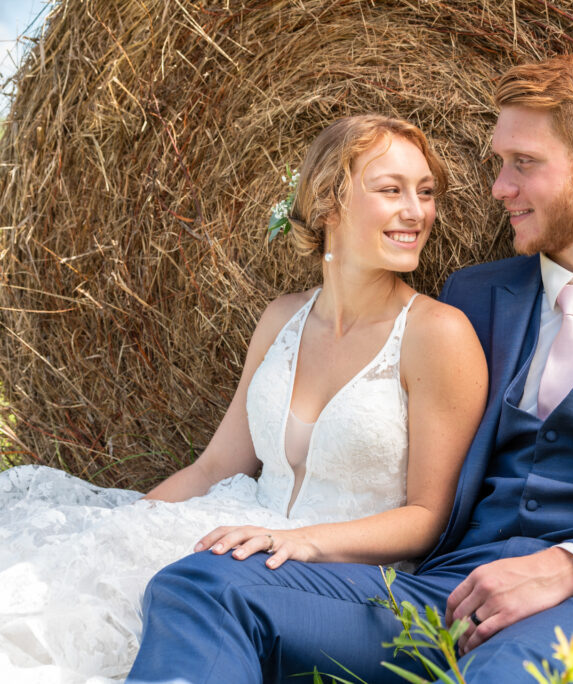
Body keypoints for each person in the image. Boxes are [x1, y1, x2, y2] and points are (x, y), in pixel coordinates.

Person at [128, 54, 573, 684]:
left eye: (523, 163)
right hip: (448, 593)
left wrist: (571, 566)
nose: (499, 187)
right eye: (499, 163)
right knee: (203, 584)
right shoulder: (476, 296)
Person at [0, 114, 487, 683]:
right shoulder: (283, 318)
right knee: (67, 598)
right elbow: (215, 467)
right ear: (328, 203)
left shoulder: (437, 334)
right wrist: (114, 530)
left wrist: (299, 542)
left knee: (168, 600)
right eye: (391, 190)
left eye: (425, 192)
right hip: (239, 529)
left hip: (344, 575)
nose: (417, 211)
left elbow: (426, 518)